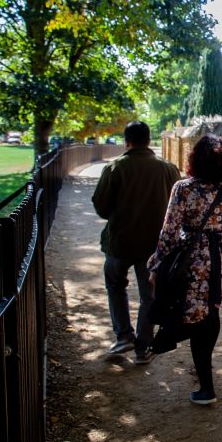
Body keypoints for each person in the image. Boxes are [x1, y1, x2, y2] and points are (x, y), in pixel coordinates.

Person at [148, 135, 222, 405]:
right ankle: (204, 378)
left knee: (194, 313)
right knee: (211, 310)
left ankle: (206, 383)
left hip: (193, 259)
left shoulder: (183, 189)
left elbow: (169, 230)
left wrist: (156, 263)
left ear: (193, 159)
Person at [92, 121, 180, 364]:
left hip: (120, 241)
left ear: (126, 141)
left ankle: (123, 335)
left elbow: (101, 207)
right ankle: (143, 346)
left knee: (115, 285)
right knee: (149, 295)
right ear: (149, 140)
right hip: (154, 245)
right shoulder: (168, 169)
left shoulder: (115, 168)